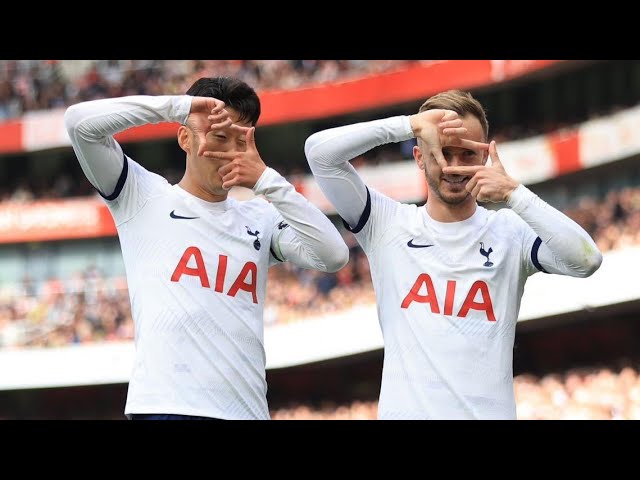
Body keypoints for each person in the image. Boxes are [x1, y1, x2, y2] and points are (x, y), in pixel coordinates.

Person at [304, 89, 602, 420]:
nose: (455, 167)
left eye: (468, 154)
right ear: (420, 156)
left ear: (485, 157)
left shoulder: (510, 232)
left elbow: (586, 260)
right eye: (444, 152)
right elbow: (319, 154)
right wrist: (409, 125)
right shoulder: (386, 223)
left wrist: (515, 193)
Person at [64, 76, 349, 420]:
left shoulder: (260, 216)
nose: (229, 152)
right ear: (185, 137)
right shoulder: (142, 196)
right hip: (167, 408)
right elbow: (79, 124)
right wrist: (179, 107)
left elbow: (333, 254)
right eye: (219, 137)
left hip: (247, 413)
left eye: (240, 140)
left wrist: (268, 181)